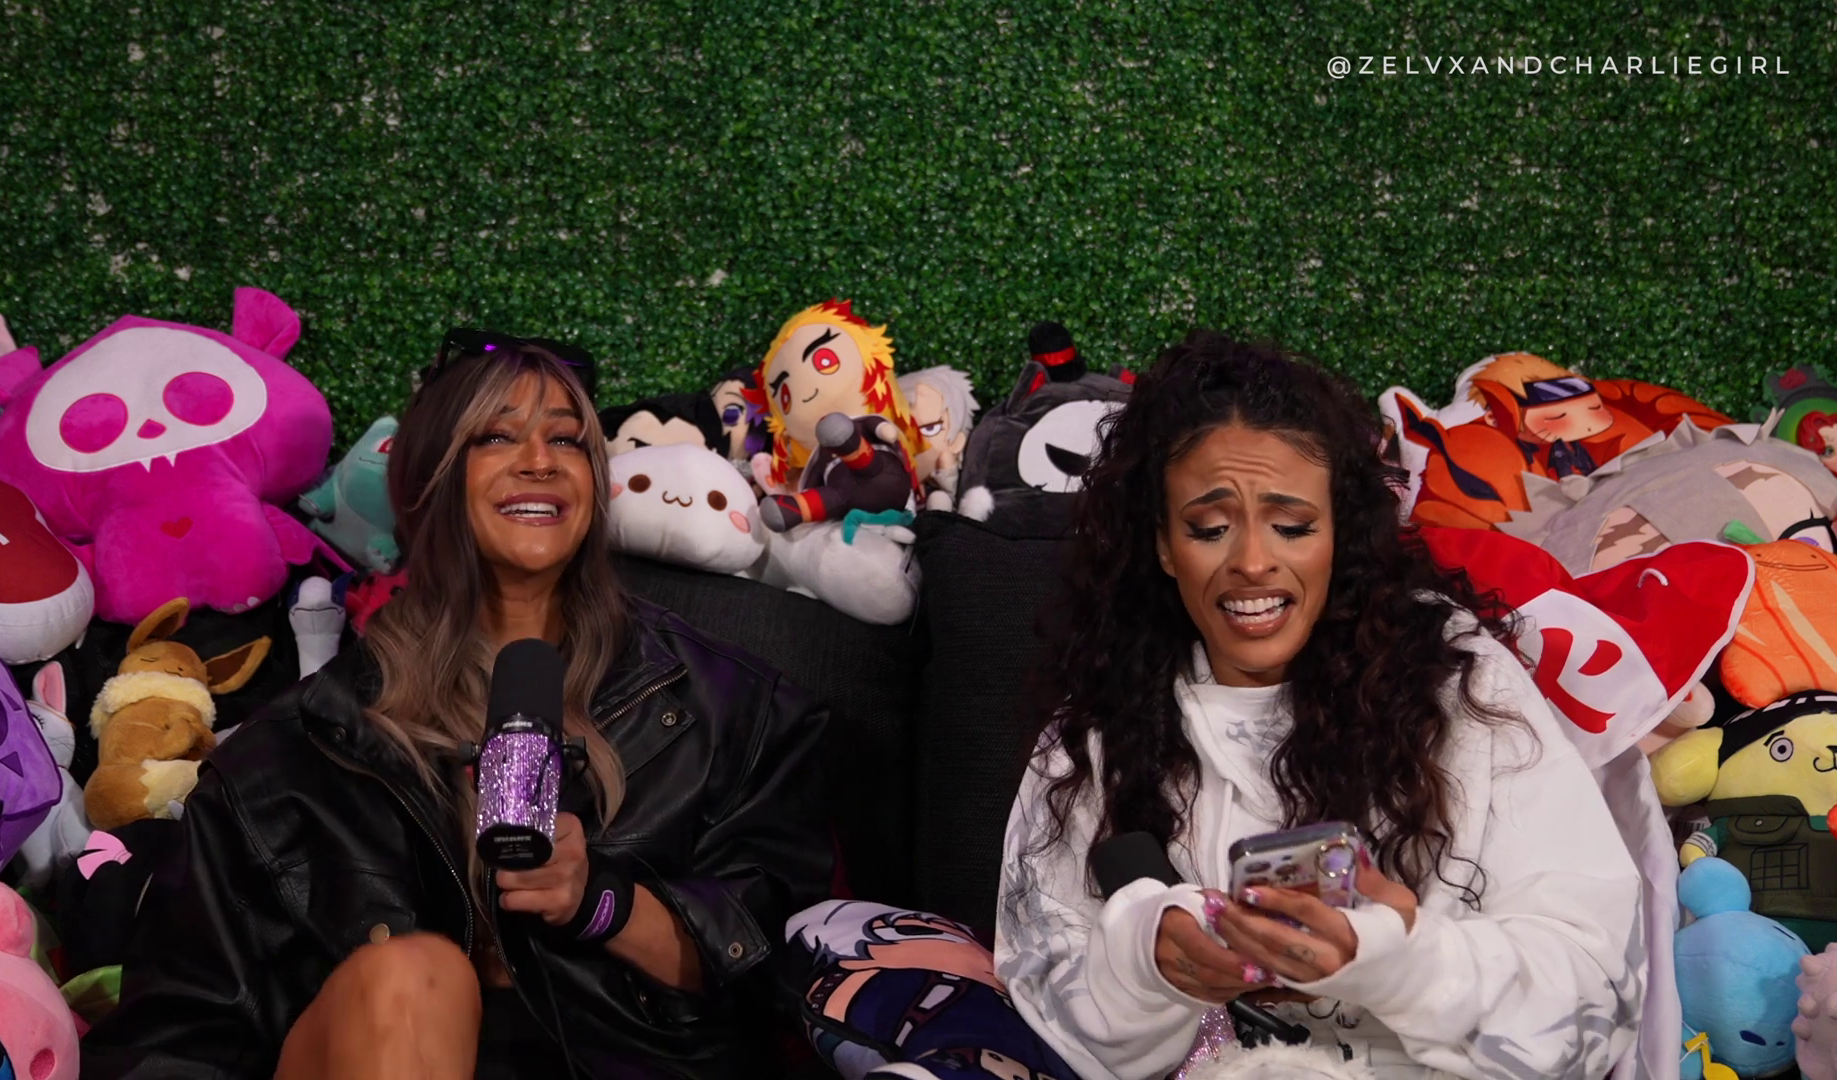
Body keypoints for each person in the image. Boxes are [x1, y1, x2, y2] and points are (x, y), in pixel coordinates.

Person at [81, 330, 835, 1080]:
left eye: (567, 440)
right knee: (412, 978)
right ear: (428, 479)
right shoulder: (286, 758)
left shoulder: (733, 707)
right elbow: (176, 1039)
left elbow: (783, 970)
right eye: (496, 437)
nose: (539, 461)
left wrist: (597, 900)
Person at [994, 331, 1645, 1080]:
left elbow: (1596, 993)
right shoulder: (1101, 722)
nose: (1252, 562)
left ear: (1338, 531)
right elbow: (1041, 983)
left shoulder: (1458, 683)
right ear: (1165, 545)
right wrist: (1147, 966)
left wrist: (1400, 962)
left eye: (1293, 526)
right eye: (1209, 528)